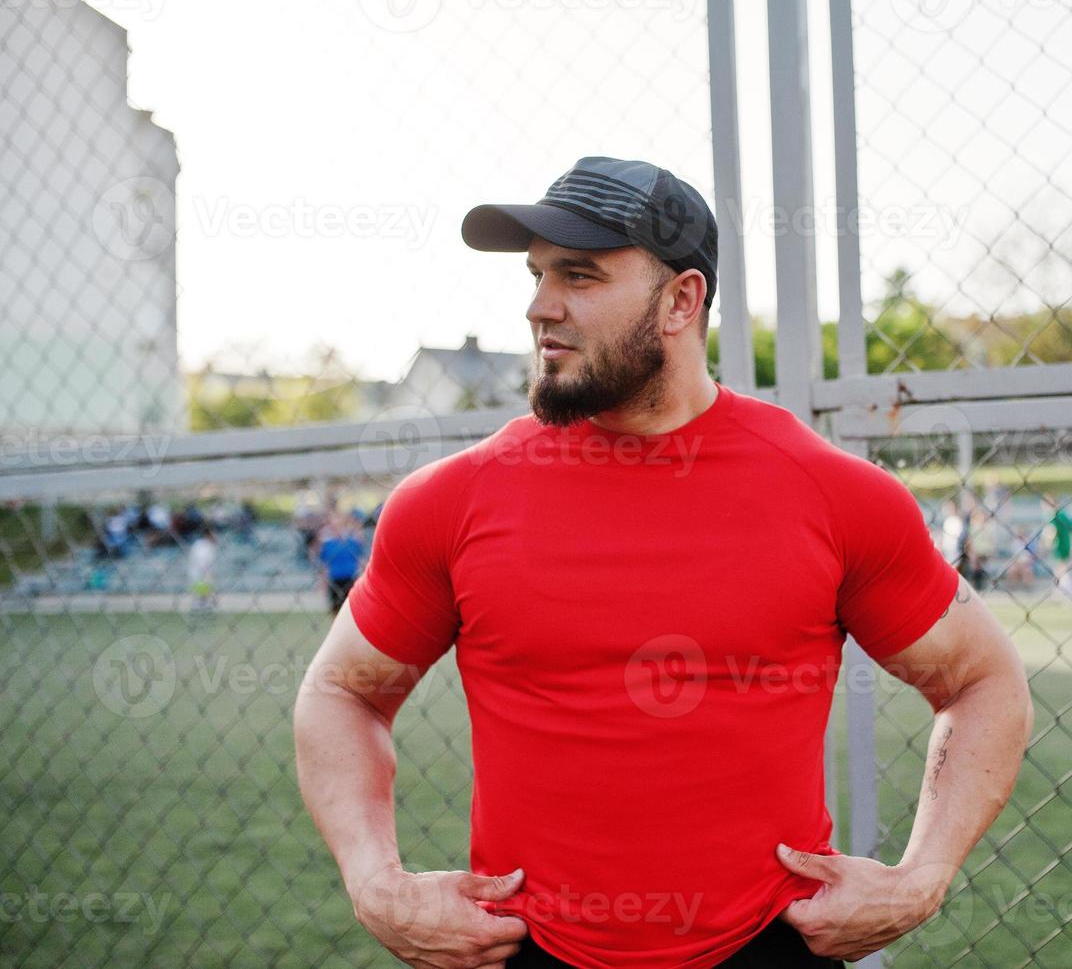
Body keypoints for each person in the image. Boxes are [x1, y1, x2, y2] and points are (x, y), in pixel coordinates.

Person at [293, 156, 1033, 969]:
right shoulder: (451, 500)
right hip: (524, 953)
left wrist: (922, 875)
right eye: (538, 274)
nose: (541, 306)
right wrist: (375, 880)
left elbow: (981, 681)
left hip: (766, 950)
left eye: (579, 275)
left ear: (681, 299)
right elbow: (341, 692)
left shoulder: (831, 493)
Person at [316, 514, 366, 617]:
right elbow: (324, 565)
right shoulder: (327, 545)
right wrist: (322, 582)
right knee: (335, 609)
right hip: (335, 579)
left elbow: (360, 559)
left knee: (351, 608)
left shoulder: (352, 542)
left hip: (350, 578)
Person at [1040, 493, 1072, 602]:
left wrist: (1046, 543)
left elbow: (1051, 532)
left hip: (1060, 546)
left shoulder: (1052, 516)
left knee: (1063, 571)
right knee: (1062, 570)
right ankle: (1060, 592)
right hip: (1067, 545)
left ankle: (1068, 594)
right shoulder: (1063, 514)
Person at [187, 526, 218, 613]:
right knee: (201, 592)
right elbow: (202, 561)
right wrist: (206, 572)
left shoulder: (208, 546)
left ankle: (204, 604)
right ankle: (200, 605)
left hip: (203, 573)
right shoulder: (201, 545)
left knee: (205, 593)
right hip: (200, 573)